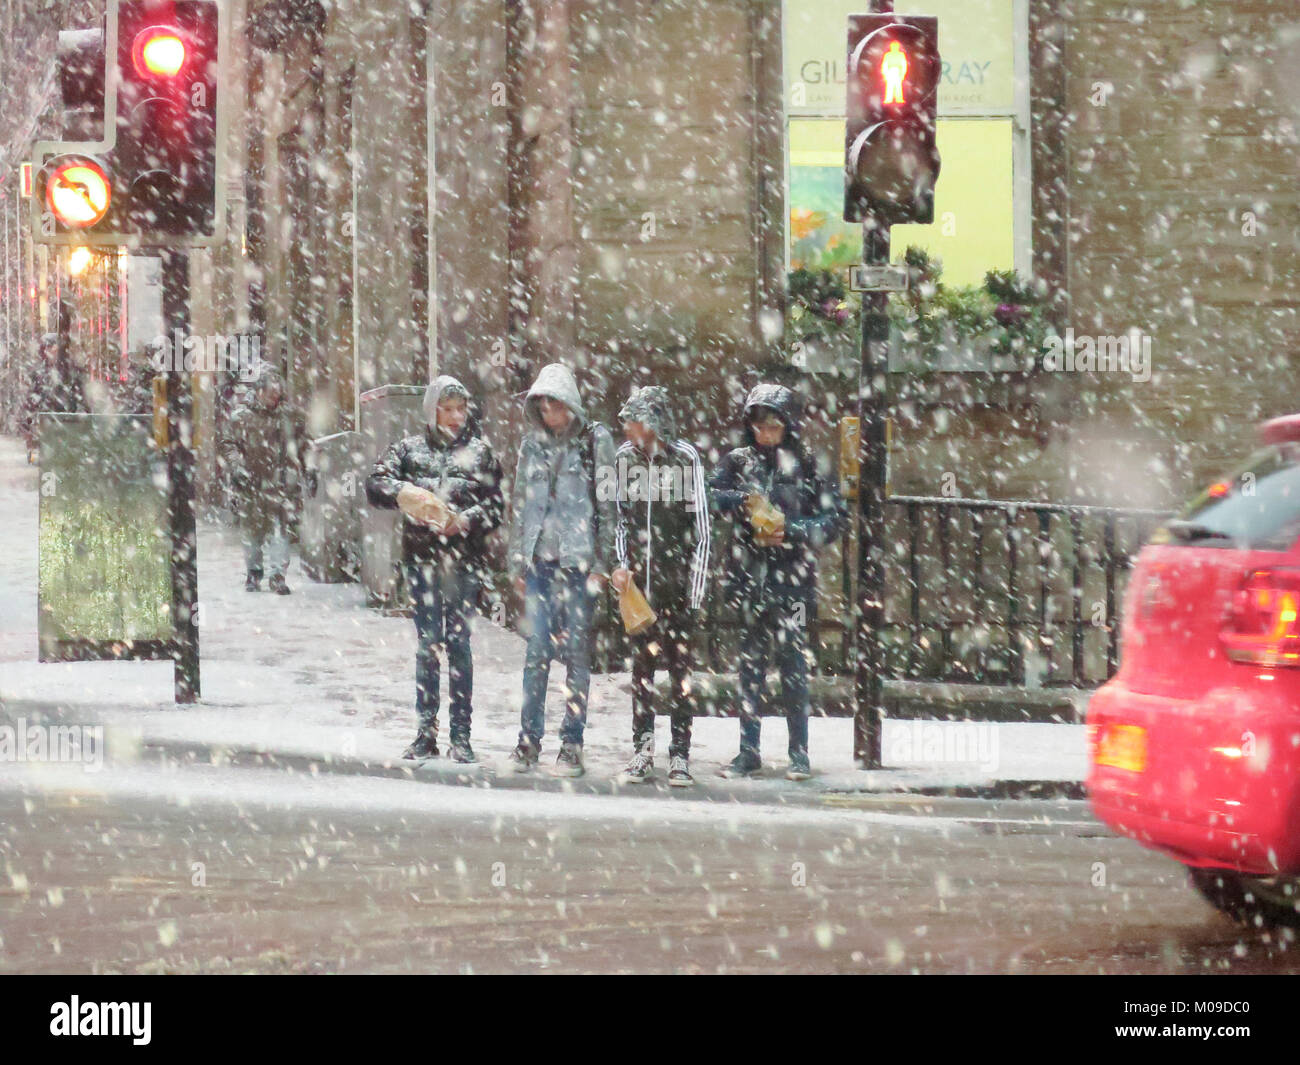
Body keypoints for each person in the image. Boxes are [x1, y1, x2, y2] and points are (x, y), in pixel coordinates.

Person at [709, 383, 846, 780]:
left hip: (795, 582)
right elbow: (711, 495)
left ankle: (798, 752)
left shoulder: (809, 464)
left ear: (788, 423)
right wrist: (742, 504)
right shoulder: (738, 461)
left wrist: (793, 530)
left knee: (793, 666)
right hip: (751, 577)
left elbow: (834, 518)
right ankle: (748, 750)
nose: (764, 431)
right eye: (757, 423)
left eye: (772, 423)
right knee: (750, 666)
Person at [366, 376, 504, 763]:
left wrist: (465, 520)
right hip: (423, 562)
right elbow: (375, 484)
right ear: (432, 411)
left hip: (462, 563)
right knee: (428, 646)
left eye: (461, 409)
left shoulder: (480, 453)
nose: (456, 417)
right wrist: (405, 494)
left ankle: (461, 735)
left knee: (459, 646)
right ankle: (425, 731)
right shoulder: (408, 450)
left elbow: (496, 506)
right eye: (447, 409)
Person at [506, 363, 616, 778]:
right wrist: (518, 557)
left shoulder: (594, 441)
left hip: (578, 562)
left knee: (576, 655)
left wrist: (602, 564)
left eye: (556, 406)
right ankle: (528, 740)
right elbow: (520, 501)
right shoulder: (530, 445)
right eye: (544, 407)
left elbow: (608, 506)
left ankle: (572, 743)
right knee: (536, 654)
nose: (550, 414)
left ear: (570, 404)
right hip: (540, 561)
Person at [610, 386, 710, 787]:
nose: (628, 429)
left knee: (680, 673)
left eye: (633, 421)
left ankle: (680, 752)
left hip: (677, 587)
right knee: (643, 670)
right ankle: (642, 747)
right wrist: (620, 565)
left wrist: (695, 591)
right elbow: (621, 519)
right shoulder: (623, 460)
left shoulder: (685, 459)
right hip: (639, 590)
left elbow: (701, 530)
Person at [217, 365, 308, 595]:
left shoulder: (290, 417)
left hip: (280, 483)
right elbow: (228, 445)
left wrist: (308, 468)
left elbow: (304, 444)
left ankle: (278, 575)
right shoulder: (241, 418)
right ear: (259, 392)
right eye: (270, 393)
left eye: (277, 393)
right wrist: (237, 468)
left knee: (280, 530)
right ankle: (254, 572)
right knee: (252, 532)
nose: (274, 398)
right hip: (251, 482)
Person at [20, 332, 86, 455]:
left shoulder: (72, 371)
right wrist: (27, 425)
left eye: (51, 346)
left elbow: (81, 398)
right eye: (45, 347)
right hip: (48, 426)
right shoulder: (39, 373)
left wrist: (81, 418)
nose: (48, 350)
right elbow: (31, 400)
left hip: (68, 425)